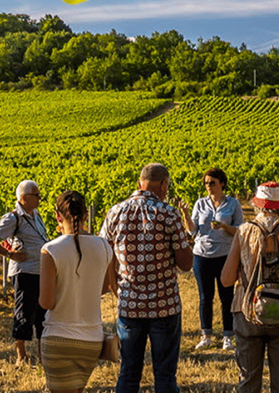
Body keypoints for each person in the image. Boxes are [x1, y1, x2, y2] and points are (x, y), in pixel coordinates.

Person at [99, 163, 194, 393]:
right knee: (165, 375)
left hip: (129, 305)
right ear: (163, 184)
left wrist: (116, 289)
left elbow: (103, 256)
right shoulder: (169, 213)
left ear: (139, 183)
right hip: (165, 306)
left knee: (129, 373)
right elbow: (185, 263)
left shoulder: (115, 212)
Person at [220, 182, 279, 393]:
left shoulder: (243, 232)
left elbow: (226, 280)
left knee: (248, 379)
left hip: (247, 311)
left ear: (257, 206)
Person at [38, 190, 116, 393]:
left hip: (58, 338)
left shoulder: (50, 250)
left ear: (57, 215)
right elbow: (104, 287)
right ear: (85, 216)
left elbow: (47, 302)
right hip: (92, 340)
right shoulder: (104, 246)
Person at [0, 180, 49, 365]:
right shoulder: (13, 218)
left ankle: (41, 354)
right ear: (23, 198)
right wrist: (9, 254)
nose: (39, 198)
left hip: (40, 270)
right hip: (25, 272)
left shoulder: (36, 215)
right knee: (24, 313)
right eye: (36, 195)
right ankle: (21, 355)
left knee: (42, 314)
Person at [184, 168, 244, 350]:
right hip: (202, 255)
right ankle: (206, 335)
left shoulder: (233, 204)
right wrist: (186, 216)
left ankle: (228, 336)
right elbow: (192, 232)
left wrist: (225, 226)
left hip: (225, 255)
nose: (208, 186)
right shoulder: (200, 204)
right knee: (205, 297)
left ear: (222, 184)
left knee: (227, 296)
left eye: (212, 183)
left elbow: (240, 231)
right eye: (206, 183)